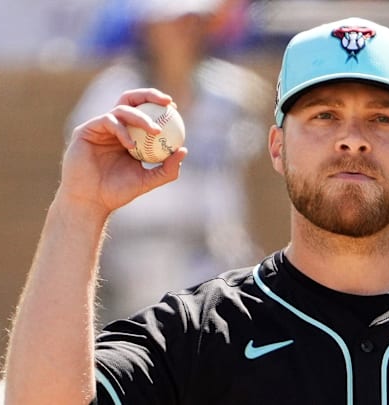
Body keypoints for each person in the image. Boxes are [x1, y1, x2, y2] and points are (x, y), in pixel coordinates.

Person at [4, 17, 389, 404]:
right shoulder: (201, 333)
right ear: (277, 146)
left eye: (381, 119)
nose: (352, 139)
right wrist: (80, 207)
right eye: (324, 116)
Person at [68, 0, 269, 322]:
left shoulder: (232, 94)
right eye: (174, 21)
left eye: (193, 20)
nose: (184, 31)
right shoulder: (113, 94)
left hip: (211, 255)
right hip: (132, 257)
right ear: (148, 26)